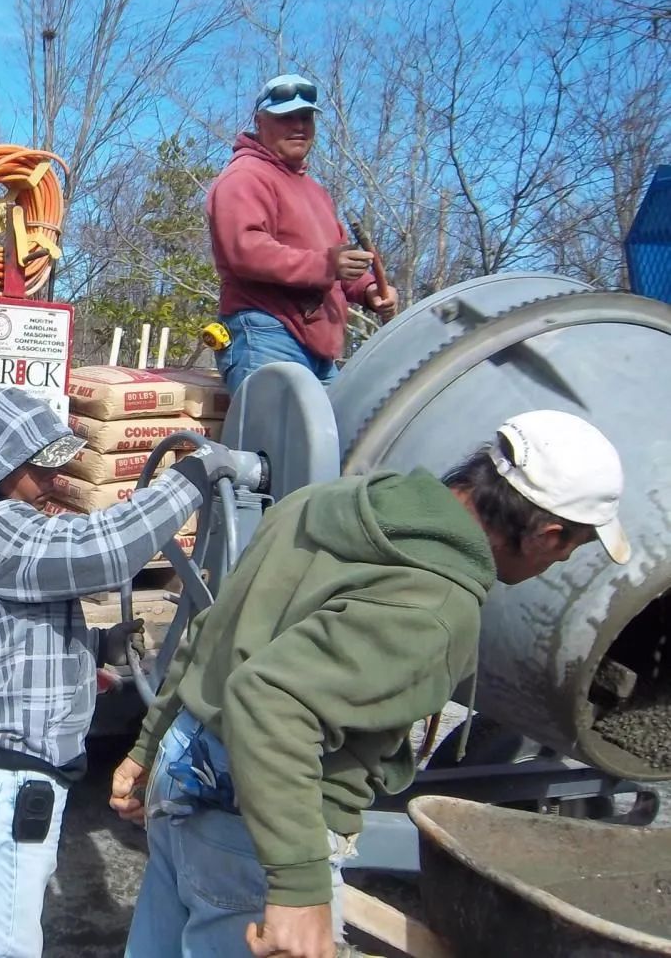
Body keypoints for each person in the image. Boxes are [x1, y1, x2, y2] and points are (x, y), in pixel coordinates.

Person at [110, 409, 631, 958]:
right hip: (259, 819)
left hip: (183, 765)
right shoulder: (435, 606)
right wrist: (298, 886)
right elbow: (267, 702)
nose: (564, 559)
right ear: (548, 535)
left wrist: (149, 745)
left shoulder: (327, 502)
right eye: (573, 547)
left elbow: (211, 627)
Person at [0, 385, 239, 958]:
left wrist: (98, 644)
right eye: (39, 467)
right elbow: (105, 550)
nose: (56, 478)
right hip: (11, 781)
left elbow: (13, 636)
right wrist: (195, 475)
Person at [208, 73, 399, 395]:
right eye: (285, 117)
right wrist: (327, 264)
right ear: (260, 121)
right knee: (274, 444)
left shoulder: (315, 192)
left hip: (318, 349)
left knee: (334, 440)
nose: (298, 126)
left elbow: (339, 260)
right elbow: (245, 250)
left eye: (305, 117)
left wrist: (369, 290)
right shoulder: (245, 177)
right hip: (267, 334)